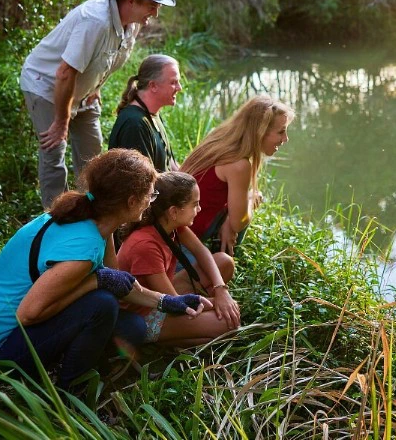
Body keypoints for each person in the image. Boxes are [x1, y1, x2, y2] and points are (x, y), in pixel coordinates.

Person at [0, 149, 209, 391]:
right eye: (150, 195)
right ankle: (71, 392)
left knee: (132, 325)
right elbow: (28, 314)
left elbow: (119, 284)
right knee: (101, 305)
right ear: (132, 201)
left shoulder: (97, 220)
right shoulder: (84, 250)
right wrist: (95, 282)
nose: (151, 201)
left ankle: (73, 363)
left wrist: (166, 301)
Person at [20, 0, 176, 208]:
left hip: (83, 91)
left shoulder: (132, 24)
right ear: (131, 1)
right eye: (152, 6)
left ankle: (88, 213)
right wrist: (62, 121)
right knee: (54, 151)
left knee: (92, 156)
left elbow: (111, 59)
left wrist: (97, 87)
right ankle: (54, 219)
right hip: (47, 85)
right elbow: (65, 72)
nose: (155, 14)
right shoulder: (95, 21)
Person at [117, 171, 240, 347]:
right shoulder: (144, 245)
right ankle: (162, 339)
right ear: (174, 211)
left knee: (224, 261)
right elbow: (172, 301)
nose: (199, 209)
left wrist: (221, 291)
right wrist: (219, 305)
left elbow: (201, 251)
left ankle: (185, 333)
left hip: (164, 295)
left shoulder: (170, 224)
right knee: (228, 322)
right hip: (147, 311)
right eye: (195, 204)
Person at [180, 96, 294, 256]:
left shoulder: (220, 138)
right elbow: (238, 223)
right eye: (281, 132)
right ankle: (223, 256)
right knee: (225, 266)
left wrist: (229, 220)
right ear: (259, 131)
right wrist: (251, 200)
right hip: (181, 248)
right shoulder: (239, 165)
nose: (285, 139)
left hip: (174, 233)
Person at [108, 54, 181, 172]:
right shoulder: (135, 125)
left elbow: (170, 163)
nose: (179, 87)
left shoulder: (152, 114)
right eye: (173, 82)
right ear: (153, 86)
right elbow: (142, 184)